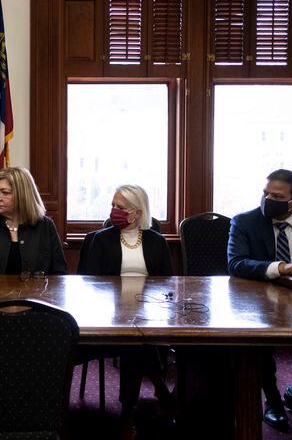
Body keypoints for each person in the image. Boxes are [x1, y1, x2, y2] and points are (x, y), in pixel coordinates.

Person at [77, 184, 172, 435]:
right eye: (113, 205)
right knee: (135, 341)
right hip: (109, 316)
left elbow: (167, 282)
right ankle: (148, 396)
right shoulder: (100, 239)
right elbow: (88, 284)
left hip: (149, 312)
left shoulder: (157, 240)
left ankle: (131, 409)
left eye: (121, 207)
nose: (113, 211)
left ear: (137, 212)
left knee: (139, 338)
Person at [227, 169, 292, 430]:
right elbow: (236, 263)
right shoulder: (244, 222)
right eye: (265, 193)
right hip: (259, 301)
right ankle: (273, 402)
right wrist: (281, 267)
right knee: (257, 342)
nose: (267, 199)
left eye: (276, 195)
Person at [0, 167, 66, 275]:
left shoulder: (45, 226)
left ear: (23, 195)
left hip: (35, 291)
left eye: (5, 193)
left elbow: (59, 272)